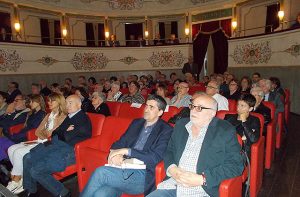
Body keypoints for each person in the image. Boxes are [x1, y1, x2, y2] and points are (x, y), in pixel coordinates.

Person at [147, 92, 244, 197]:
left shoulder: (224, 130)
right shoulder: (181, 125)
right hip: (173, 186)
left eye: (199, 108)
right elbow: (170, 150)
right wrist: (172, 168)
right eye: (192, 106)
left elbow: (236, 165)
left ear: (212, 113)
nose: (193, 110)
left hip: (203, 190)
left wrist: (203, 179)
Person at [81, 95, 173, 196]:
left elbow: (154, 158)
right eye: (146, 106)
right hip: (122, 167)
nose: (146, 109)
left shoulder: (166, 130)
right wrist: (116, 155)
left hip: (142, 175)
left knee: (101, 172)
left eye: (151, 107)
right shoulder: (137, 123)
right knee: (101, 194)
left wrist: (127, 151)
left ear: (160, 112)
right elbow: (119, 143)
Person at [23, 95, 92, 197]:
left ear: (79, 104)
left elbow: (67, 137)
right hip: (55, 144)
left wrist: (62, 132)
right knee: (27, 158)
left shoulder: (83, 118)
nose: (67, 105)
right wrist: (63, 131)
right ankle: (30, 188)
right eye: (66, 102)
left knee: (36, 170)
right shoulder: (69, 117)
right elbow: (55, 132)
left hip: (69, 150)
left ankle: (63, 192)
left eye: (70, 103)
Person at [6, 93, 67, 194]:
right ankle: (21, 177)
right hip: (39, 140)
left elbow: (51, 135)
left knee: (18, 152)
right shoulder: (49, 115)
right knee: (11, 149)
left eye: (52, 101)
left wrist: (45, 133)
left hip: (47, 143)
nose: (49, 103)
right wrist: (45, 133)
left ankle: (16, 180)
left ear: (59, 102)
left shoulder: (62, 116)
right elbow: (37, 131)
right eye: (49, 100)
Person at [224, 94, 260, 159]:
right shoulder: (228, 117)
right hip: (225, 148)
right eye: (238, 104)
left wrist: (244, 121)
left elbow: (253, 139)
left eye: (242, 106)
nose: (238, 108)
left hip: (241, 153)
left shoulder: (254, 120)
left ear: (250, 108)